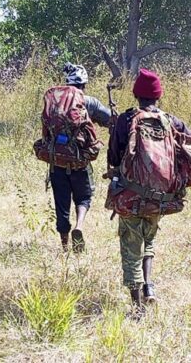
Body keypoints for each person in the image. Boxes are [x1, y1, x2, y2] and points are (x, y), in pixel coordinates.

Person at [107, 69, 191, 313]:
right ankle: (149, 287)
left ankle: (137, 307)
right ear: (158, 96)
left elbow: (113, 156)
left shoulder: (126, 120)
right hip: (160, 198)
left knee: (131, 248)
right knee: (149, 240)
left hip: (130, 196)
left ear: (136, 95)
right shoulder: (171, 121)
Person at [50, 62, 112, 252]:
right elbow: (110, 120)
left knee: (61, 203)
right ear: (84, 84)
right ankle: (79, 225)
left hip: (57, 161)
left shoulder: (54, 102)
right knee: (83, 198)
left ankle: (64, 245)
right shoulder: (89, 102)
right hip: (80, 161)